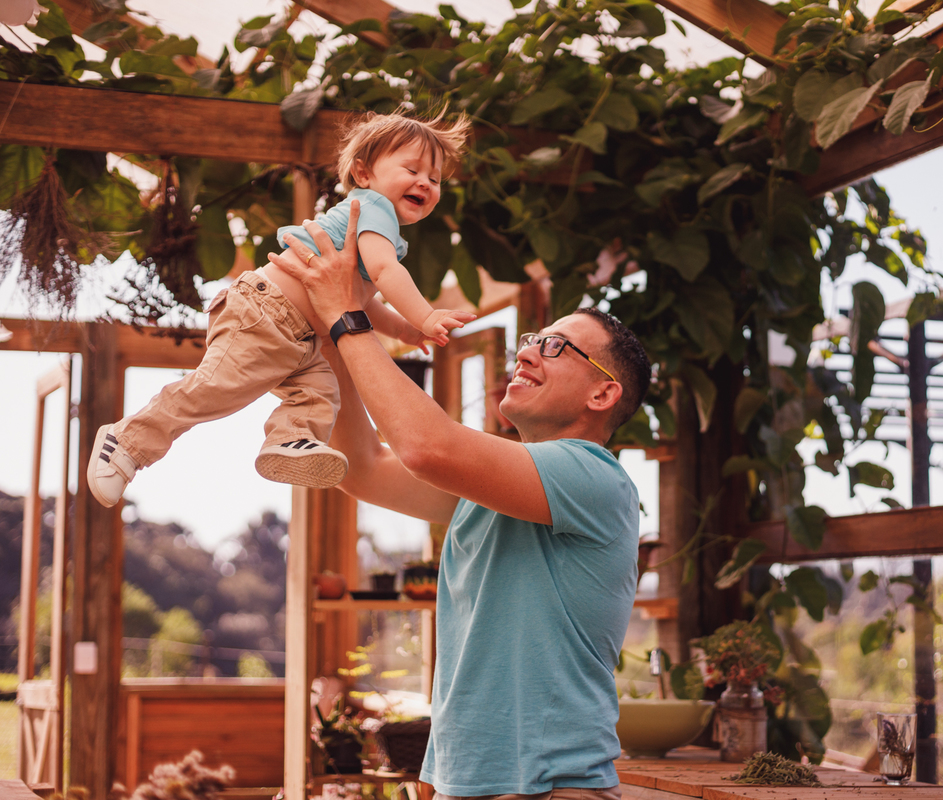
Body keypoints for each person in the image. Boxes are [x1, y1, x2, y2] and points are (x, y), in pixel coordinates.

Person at [268, 203, 653, 800]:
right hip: (465, 782)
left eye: (555, 348)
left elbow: (426, 447)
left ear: (604, 392)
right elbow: (364, 471)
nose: (525, 354)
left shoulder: (592, 478)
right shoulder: (496, 490)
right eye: (532, 340)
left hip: (551, 786)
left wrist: (347, 316)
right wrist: (324, 330)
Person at [87, 110, 476, 508]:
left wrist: (404, 332)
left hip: (298, 336)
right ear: (363, 174)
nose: (424, 183)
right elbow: (383, 271)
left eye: (435, 178)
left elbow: (361, 297)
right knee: (214, 391)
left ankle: (289, 440)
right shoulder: (373, 209)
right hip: (265, 313)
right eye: (411, 169)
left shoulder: (377, 226)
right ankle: (127, 440)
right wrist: (425, 316)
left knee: (320, 394)